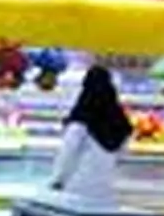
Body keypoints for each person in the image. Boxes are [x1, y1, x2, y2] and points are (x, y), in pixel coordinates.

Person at [49, 65, 133, 205]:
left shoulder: (80, 122)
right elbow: (122, 155)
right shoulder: (120, 124)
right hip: (105, 190)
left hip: (75, 190)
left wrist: (56, 180)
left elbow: (67, 155)